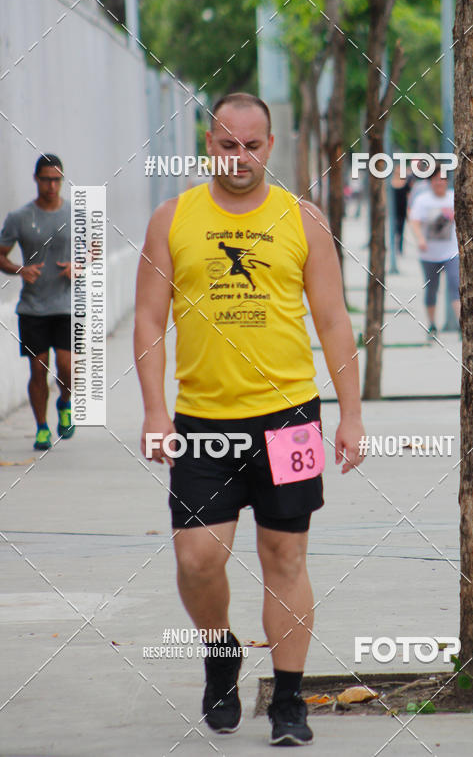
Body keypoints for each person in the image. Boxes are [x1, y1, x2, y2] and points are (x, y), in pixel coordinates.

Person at [134, 92, 365, 747]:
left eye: (252, 145)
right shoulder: (172, 218)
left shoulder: (301, 219)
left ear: (270, 146)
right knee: (197, 558)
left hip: (288, 417)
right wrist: (154, 410)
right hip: (203, 419)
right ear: (211, 145)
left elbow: (333, 320)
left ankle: (290, 700)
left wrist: (350, 415)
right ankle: (219, 652)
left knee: (285, 554)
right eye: (227, 145)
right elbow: (149, 319)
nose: (240, 158)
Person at [0, 154, 75, 450]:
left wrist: (78, 266)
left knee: (67, 367)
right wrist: (20, 269)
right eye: (46, 179)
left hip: (65, 305)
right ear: (36, 179)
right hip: (32, 308)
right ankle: (42, 427)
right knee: (38, 367)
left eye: (57, 180)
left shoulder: (73, 213)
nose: (52, 186)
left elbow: (93, 249)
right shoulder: (19, 217)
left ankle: (65, 403)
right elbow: (1, 254)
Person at [409, 164, 460, 337]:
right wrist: (420, 239)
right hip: (429, 254)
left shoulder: (454, 198)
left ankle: (461, 324)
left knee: (456, 285)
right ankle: (432, 324)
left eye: (443, 180)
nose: (439, 183)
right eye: (436, 180)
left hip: (451, 252)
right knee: (432, 289)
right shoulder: (423, 200)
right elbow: (414, 221)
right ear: (431, 182)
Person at [390, 162, 414, 254]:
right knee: (393, 228)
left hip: (402, 208)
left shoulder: (406, 181)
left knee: (401, 228)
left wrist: (409, 209)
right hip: (393, 209)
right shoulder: (390, 182)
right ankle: (393, 246)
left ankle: (399, 247)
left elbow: (409, 195)